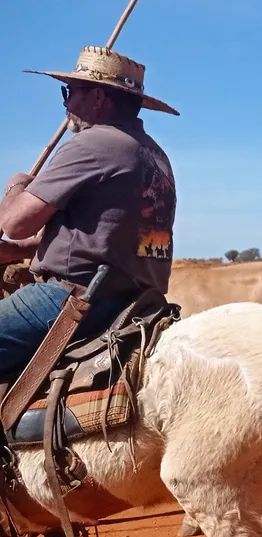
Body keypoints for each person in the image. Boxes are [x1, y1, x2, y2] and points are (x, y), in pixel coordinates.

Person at [0, 46, 179, 377]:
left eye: (71, 92)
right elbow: (123, 240)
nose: (67, 104)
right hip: (135, 300)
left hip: (75, 299)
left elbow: (15, 223)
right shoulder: (156, 156)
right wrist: (20, 251)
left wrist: (15, 186)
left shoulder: (94, 143)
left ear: (98, 98)